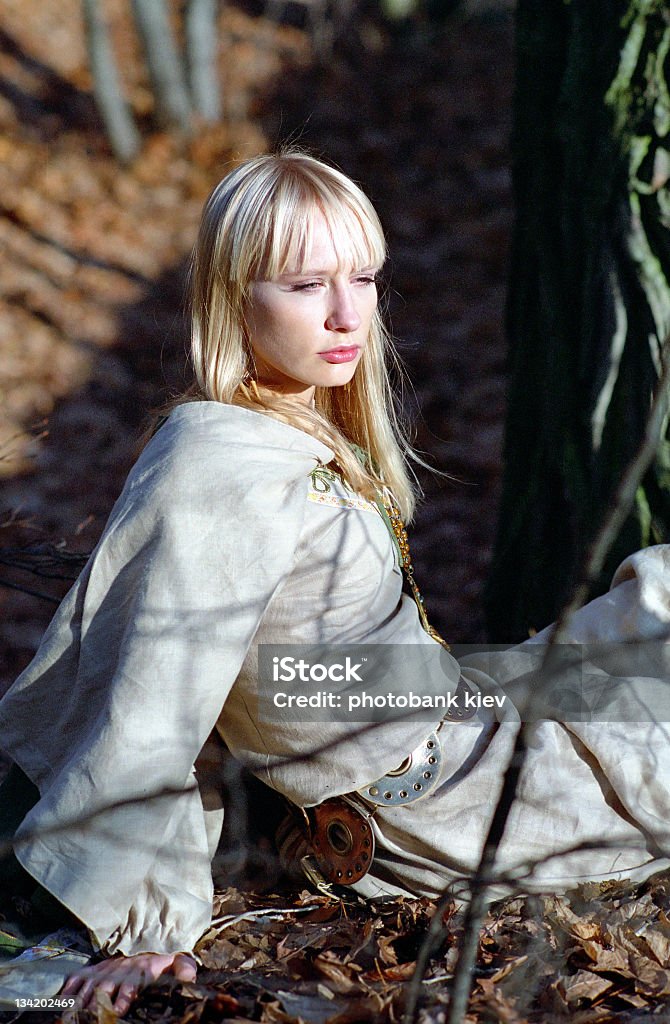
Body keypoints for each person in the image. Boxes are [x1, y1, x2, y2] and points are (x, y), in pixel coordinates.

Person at [2, 150, 670, 1014]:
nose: (348, 314)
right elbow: (158, 694)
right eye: (306, 285)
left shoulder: (287, 420)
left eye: (363, 277)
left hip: (467, 703)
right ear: (235, 295)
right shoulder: (218, 463)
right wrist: (140, 924)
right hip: (447, 798)